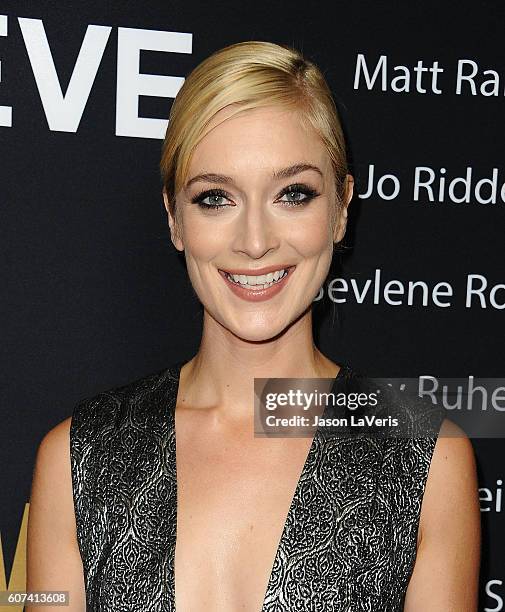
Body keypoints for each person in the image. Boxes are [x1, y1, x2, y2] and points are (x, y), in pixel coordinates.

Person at [26, 40, 481, 611]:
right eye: (216, 198)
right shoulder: (77, 456)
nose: (256, 241)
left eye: (294, 194)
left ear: (341, 208)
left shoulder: (428, 458)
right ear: (174, 219)